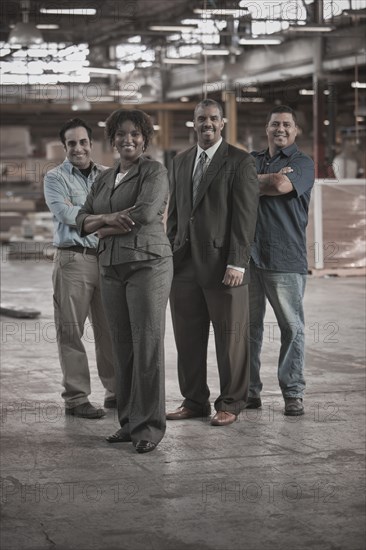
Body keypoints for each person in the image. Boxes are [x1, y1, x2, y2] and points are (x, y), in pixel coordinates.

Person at [76, 109, 173, 453]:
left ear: (145, 139)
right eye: (120, 134)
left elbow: (146, 214)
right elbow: (80, 219)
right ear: (112, 139)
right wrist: (105, 219)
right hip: (112, 267)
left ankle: (149, 427)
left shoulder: (155, 171)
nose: (127, 139)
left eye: (134, 134)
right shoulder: (104, 178)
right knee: (122, 348)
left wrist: (99, 224)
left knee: (146, 346)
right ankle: (129, 423)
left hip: (147, 265)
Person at [166, 99, 259, 427]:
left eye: (213, 118)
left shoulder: (240, 161)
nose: (207, 123)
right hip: (183, 266)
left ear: (222, 123)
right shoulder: (179, 161)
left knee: (230, 339)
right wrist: (170, 252)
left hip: (224, 266)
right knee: (187, 338)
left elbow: (245, 218)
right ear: (194, 123)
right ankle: (194, 401)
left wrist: (238, 262)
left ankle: (231, 403)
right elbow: (175, 214)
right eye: (201, 118)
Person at [44, 118, 116, 419]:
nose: (78, 148)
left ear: (91, 144)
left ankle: (116, 392)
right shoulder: (54, 178)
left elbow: (121, 208)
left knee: (110, 330)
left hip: (106, 259)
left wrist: (103, 217)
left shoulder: (108, 175)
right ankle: (76, 398)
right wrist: (105, 218)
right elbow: (65, 213)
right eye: (71, 143)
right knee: (71, 331)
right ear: (65, 147)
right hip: (72, 260)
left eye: (82, 142)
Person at [248, 105, 315, 416]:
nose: (281, 129)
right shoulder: (252, 160)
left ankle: (292, 392)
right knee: (248, 328)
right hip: (249, 256)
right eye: (275, 124)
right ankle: (249, 392)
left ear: (295, 130)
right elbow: (234, 188)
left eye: (287, 125)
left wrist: (264, 182)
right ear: (267, 127)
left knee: (291, 327)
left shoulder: (303, 163)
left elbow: (279, 186)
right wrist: (270, 178)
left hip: (285, 257)